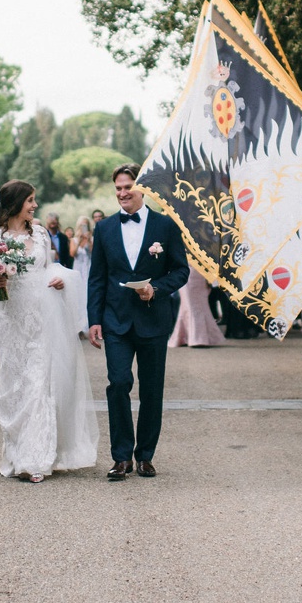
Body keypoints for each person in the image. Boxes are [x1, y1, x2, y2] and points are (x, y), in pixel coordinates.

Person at [0, 180, 98, 482]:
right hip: (10, 317)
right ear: (16, 203)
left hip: (41, 313)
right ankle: (15, 451)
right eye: (30, 200)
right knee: (15, 382)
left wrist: (59, 280)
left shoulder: (40, 233)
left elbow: (49, 268)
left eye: (35, 200)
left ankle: (35, 458)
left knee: (39, 379)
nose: (35, 205)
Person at [86, 164, 190, 480]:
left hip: (153, 320)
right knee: (118, 383)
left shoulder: (165, 226)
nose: (122, 193)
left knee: (152, 390)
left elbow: (181, 270)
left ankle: (145, 455)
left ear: (141, 188)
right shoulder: (103, 229)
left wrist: (156, 289)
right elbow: (97, 278)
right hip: (115, 320)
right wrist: (94, 319)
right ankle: (121, 458)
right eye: (117, 188)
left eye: (127, 186)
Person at [169, 267, 226, 348]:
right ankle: (194, 337)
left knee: (198, 304)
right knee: (188, 305)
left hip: (201, 272)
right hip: (186, 271)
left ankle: (188, 336)